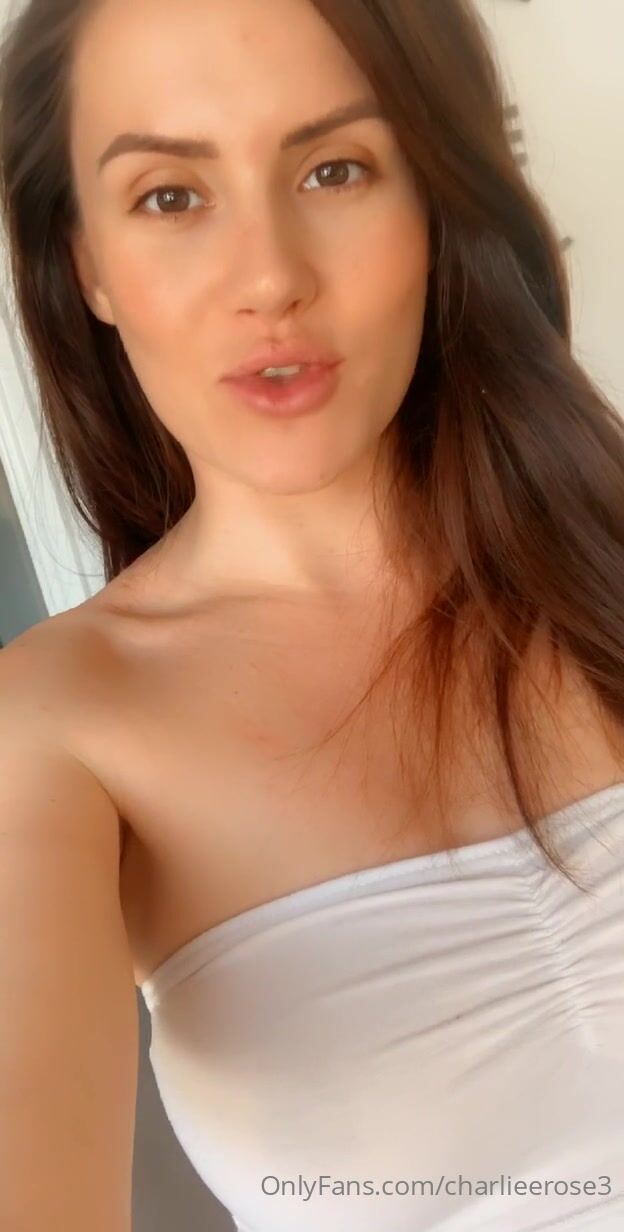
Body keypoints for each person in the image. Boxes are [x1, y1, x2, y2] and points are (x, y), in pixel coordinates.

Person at [1, 0, 623, 1228]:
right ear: (87, 265)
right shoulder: (57, 733)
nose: (272, 277)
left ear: (435, 198)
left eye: (335, 169)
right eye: (170, 196)